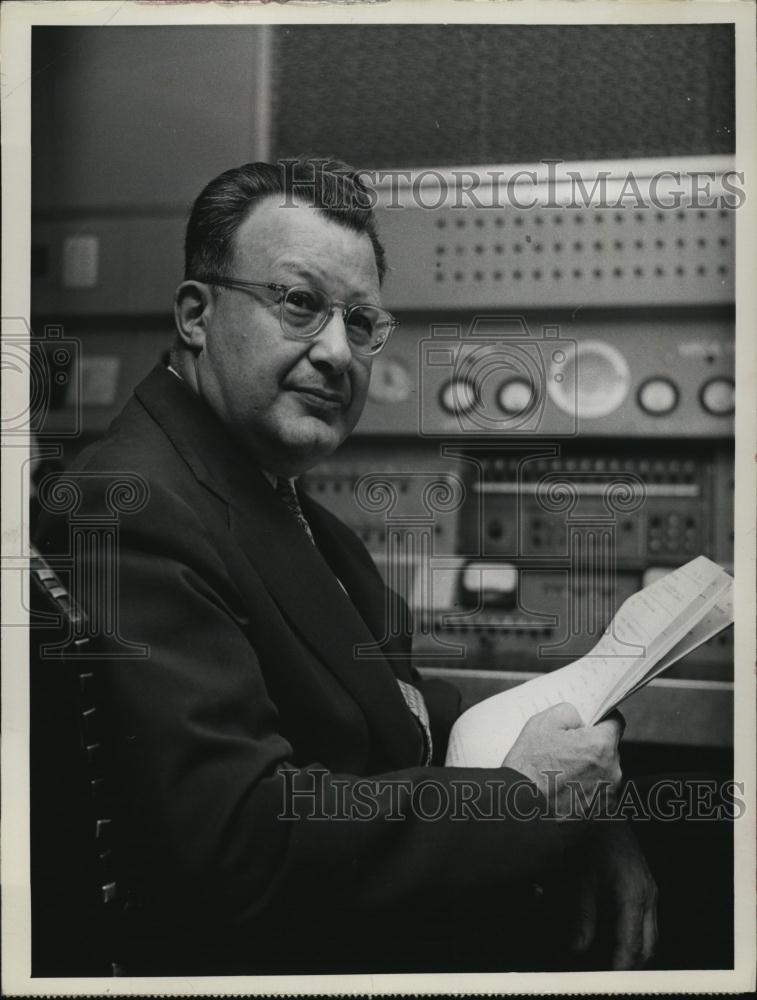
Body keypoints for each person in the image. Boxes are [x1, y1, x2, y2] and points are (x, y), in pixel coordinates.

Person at [34, 158, 659, 976]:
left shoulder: (286, 510)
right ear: (195, 314)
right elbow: (239, 837)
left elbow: (405, 719)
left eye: (360, 321)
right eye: (299, 303)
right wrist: (528, 798)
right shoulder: (132, 506)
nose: (336, 351)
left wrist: (585, 812)